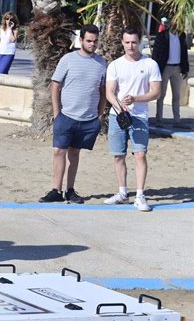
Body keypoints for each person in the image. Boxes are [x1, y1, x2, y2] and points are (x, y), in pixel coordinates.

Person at [39, 24, 107, 204]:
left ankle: (70, 190)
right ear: (81, 40)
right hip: (66, 116)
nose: (93, 44)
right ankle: (56, 190)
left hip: (88, 119)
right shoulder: (68, 59)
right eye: (89, 41)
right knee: (58, 151)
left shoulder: (101, 63)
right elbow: (55, 85)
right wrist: (56, 112)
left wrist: (100, 115)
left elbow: (103, 90)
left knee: (75, 153)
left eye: (95, 41)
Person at [104, 25, 161, 212]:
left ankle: (140, 195)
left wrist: (136, 98)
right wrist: (119, 106)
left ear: (140, 43)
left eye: (134, 42)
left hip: (140, 116)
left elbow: (155, 92)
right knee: (118, 155)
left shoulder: (150, 64)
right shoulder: (115, 65)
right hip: (118, 116)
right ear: (122, 42)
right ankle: (122, 193)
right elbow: (109, 92)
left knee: (140, 154)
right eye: (127, 42)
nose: (130, 46)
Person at [151, 17, 189, 128]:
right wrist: (155, 69)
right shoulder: (162, 36)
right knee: (161, 95)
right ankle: (159, 119)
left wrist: (185, 69)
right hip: (165, 68)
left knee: (176, 95)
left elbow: (184, 53)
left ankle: (177, 120)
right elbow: (156, 53)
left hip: (177, 68)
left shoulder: (181, 36)